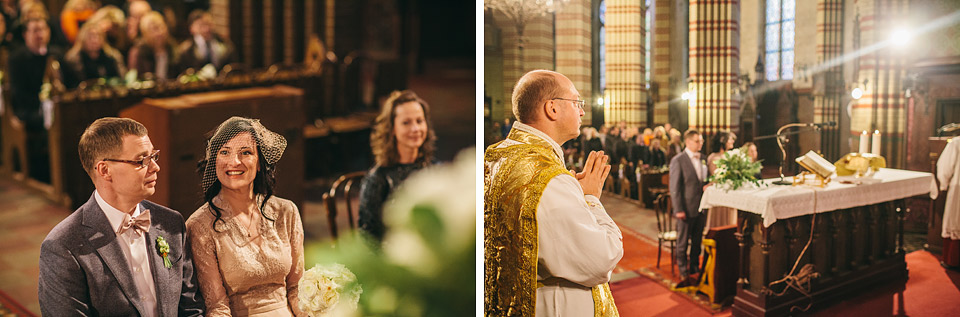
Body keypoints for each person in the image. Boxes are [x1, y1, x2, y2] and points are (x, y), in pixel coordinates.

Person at [484, 69, 621, 316]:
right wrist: (590, 199)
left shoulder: (497, 157)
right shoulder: (549, 178)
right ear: (552, 108)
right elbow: (601, 259)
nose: (582, 111)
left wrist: (573, 194)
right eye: (577, 102)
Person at [38, 117, 204, 316]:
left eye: (154, 156)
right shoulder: (63, 246)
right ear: (105, 170)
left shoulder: (170, 223)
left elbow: (191, 308)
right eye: (142, 160)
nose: (155, 167)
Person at [186, 117, 304, 315]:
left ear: (259, 163)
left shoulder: (286, 211)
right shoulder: (200, 225)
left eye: (246, 153)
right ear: (214, 161)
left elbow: (296, 287)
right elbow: (217, 306)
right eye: (225, 152)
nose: (234, 162)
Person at [358, 90, 436, 241]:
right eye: (406, 123)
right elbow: (367, 239)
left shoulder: (434, 170)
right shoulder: (377, 179)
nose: (415, 129)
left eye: (419, 121)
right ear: (392, 128)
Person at [8, 17, 60, 183]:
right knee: (47, 124)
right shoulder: (17, 59)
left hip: (56, 107)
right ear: (25, 34)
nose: (40, 34)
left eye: (43, 29)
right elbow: (19, 94)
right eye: (35, 30)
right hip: (30, 109)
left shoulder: (57, 54)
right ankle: (47, 176)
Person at [669, 129, 707, 286]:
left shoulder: (703, 159)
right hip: (685, 207)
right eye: (698, 141)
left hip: (701, 207)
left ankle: (694, 269)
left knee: (697, 241)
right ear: (689, 142)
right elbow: (675, 187)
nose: (701, 143)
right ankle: (683, 272)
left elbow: (702, 181)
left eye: (701, 141)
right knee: (683, 242)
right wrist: (678, 209)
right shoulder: (678, 160)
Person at [61, 22, 126, 88]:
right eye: (90, 37)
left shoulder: (112, 57)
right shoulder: (72, 60)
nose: (94, 40)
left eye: (98, 36)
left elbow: (122, 81)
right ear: (83, 38)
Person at [127, 11, 177, 80]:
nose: (160, 32)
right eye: (154, 29)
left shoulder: (173, 49)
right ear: (145, 34)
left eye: (161, 27)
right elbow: (134, 79)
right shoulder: (138, 53)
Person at [704, 131, 737, 233]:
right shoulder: (714, 157)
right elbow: (716, 177)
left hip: (731, 193)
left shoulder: (731, 156)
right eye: (730, 139)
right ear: (723, 141)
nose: (732, 141)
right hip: (719, 193)